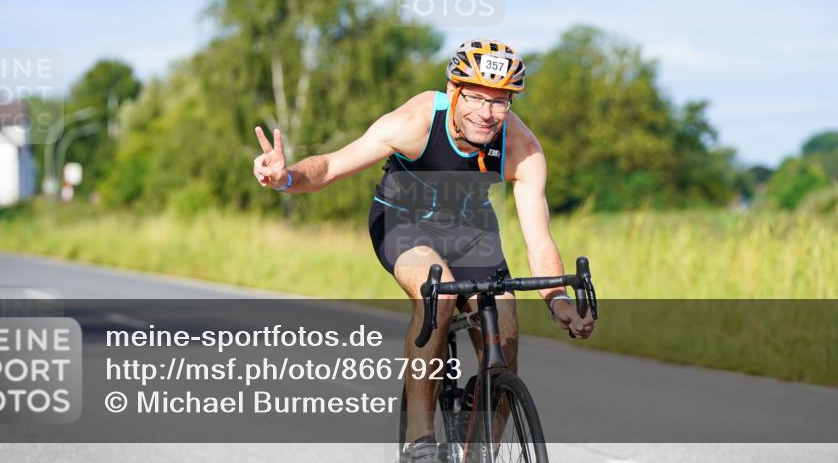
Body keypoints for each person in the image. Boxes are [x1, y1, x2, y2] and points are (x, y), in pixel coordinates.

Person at [252, 39, 595, 462]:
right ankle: (419, 437)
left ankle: (478, 450)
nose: (486, 113)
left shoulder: (522, 148)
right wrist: (286, 177)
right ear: (453, 91)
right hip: (403, 222)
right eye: (475, 97)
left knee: (504, 334)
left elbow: (538, 240)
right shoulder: (415, 122)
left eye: (499, 101)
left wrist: (558, 301)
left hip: (471, 233)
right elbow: (331, 168)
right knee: (440, 295)